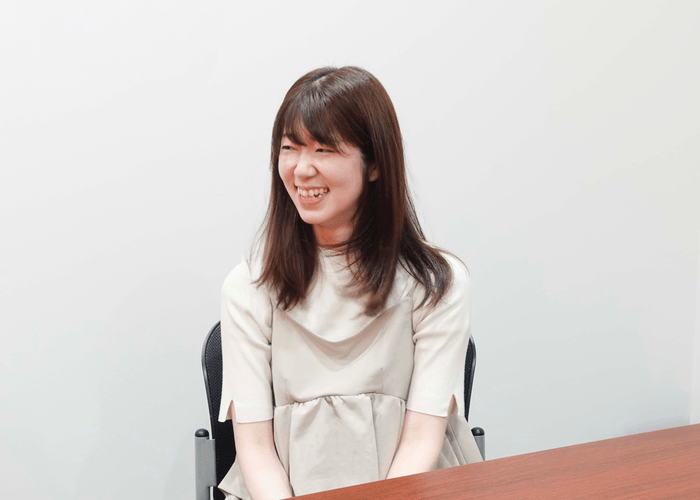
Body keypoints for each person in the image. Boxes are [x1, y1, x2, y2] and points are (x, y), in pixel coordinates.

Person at [217, 66, 483, 500]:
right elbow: (255, 450)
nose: (301, 169)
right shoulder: (250, 285)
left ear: (374, 163)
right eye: (289, 148)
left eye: (323, 149)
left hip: (412, 491)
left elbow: (422, 440)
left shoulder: (436, 283)